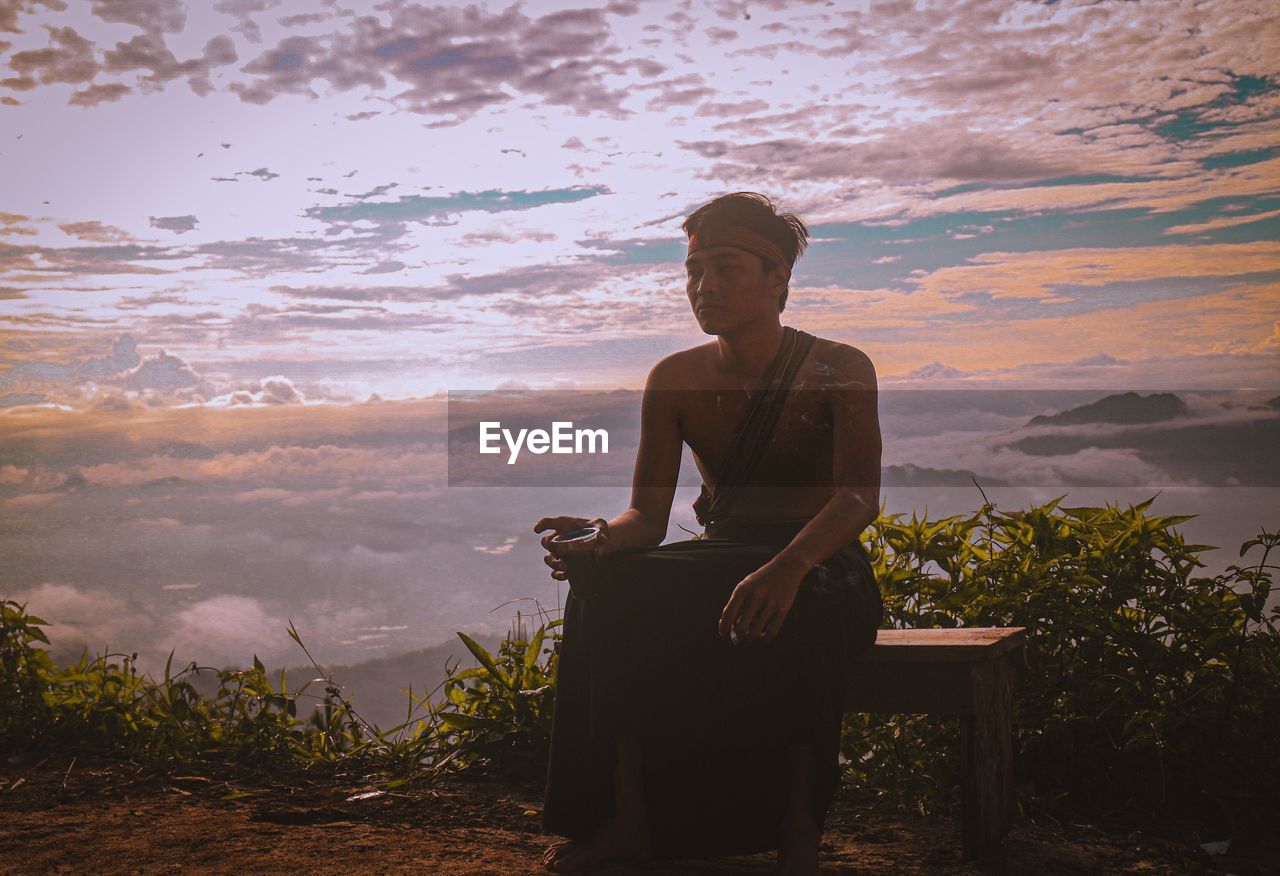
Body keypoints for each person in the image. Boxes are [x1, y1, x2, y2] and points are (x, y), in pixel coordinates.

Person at [535, 192, 883, 874]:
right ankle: (628, 821)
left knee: (800, 606)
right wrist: (600, 541)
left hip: (822, 562)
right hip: (722, 554)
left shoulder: (840, 366)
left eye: (726, 267)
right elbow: (647, 519)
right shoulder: (675, 379)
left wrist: (787, 567)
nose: (705, 286)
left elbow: (858, 497)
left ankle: (797, 837)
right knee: (606, 589)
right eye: (694, 271)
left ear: (778, 278)